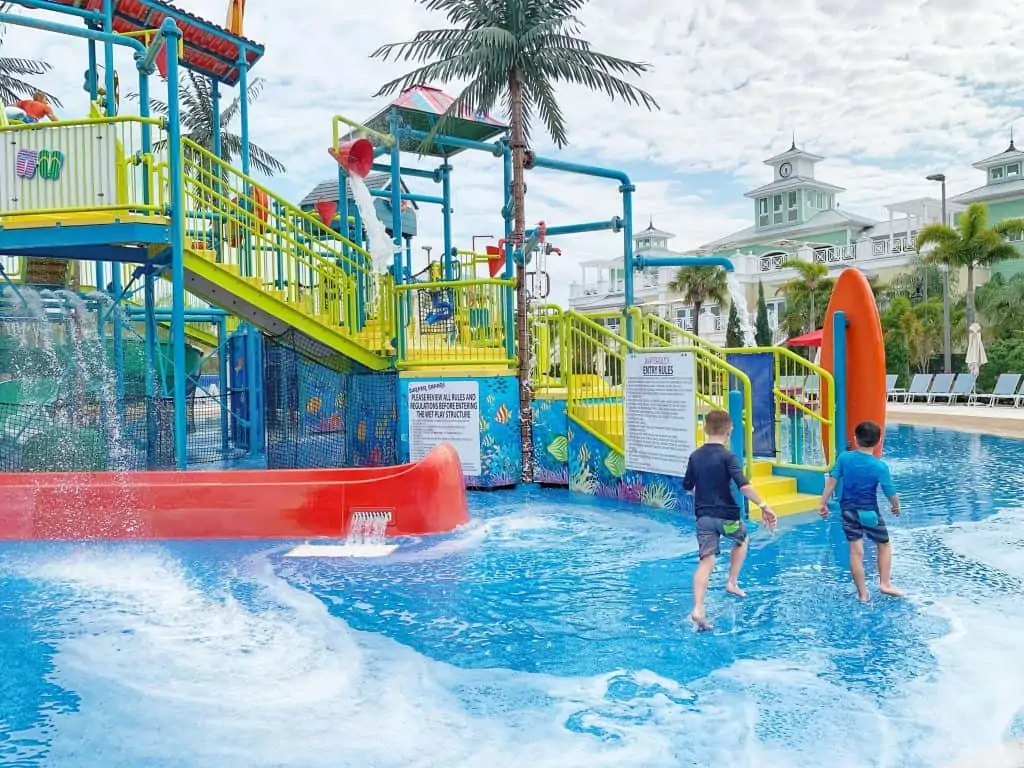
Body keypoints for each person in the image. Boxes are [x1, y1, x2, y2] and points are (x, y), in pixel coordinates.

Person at [683, 409, 776, 631]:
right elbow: (743, 486)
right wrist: (764, 506)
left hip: (704, 518)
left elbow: (688, 486)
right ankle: (732, 582)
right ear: (730, 431)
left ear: (705, 428)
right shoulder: (728, 457)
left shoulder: (695, 456)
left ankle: (697, 607)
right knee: (742, 539)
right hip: (728, 517)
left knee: (706, 562)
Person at [819, 420, 903, 602]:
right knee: (884, 545)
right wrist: (896, 506)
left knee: (856, 552)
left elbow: (832, 481)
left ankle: (863, 594)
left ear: (855, 439)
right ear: (879, 440)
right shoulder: (880, 466)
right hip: (870, 513)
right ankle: (885, 584)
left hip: (848, 511)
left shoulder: (844, 458)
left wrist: (822, 503)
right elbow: (890, 492)